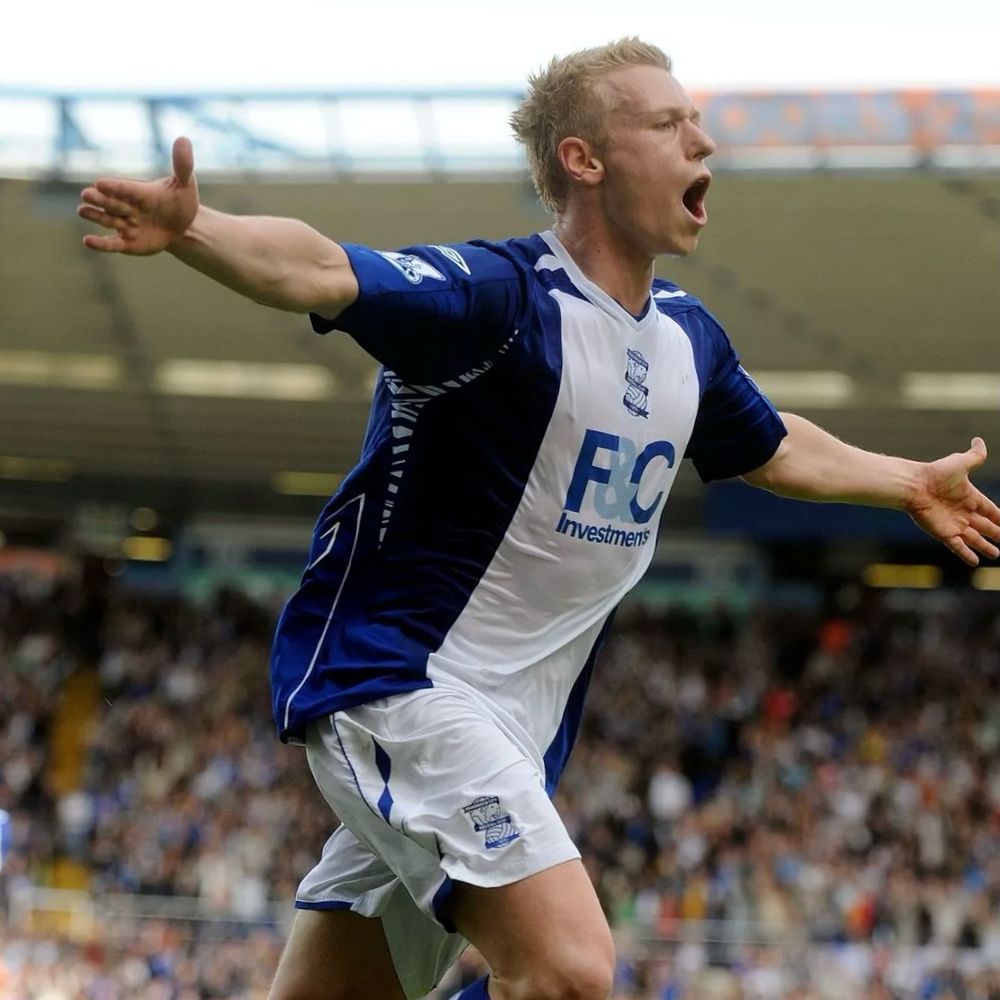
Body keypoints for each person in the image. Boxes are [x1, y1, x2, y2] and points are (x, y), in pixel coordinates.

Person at [77, 37, 1000, 1000]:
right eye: (669, 124)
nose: (704, 142)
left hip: (512, 732)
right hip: (401, 684)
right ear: (584, 159)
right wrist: (195, 230)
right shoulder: (500, 301)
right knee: (566, 970)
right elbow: (323, 270)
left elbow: (770, 446)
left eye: (698, 121)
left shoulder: (687, 340)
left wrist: (906, 483)